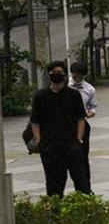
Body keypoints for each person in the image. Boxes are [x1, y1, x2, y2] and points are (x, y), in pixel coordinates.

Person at [29, 61, 90, 196]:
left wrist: (79, 140)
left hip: (71, 144)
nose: (57, 76)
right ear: (49, 75)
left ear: (64, 75)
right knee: (53, 183)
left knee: (80, 180)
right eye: (54, 73)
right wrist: (39, 141)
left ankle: (85, 208)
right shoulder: (40, 96)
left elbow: (81, 119)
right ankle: (54, 212)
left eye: (60, 74)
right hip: (50, 145)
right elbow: (35, 121)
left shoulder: (73, 95)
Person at [67, 61, 98, 176]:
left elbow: (93, 108)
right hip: (65, 124)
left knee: (82, 155)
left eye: (81, 76)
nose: (78, 78)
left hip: (81, 123)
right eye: (75, 75)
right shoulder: (64, 85)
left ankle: (85, 183)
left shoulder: (89, 89)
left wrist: (87, 114)